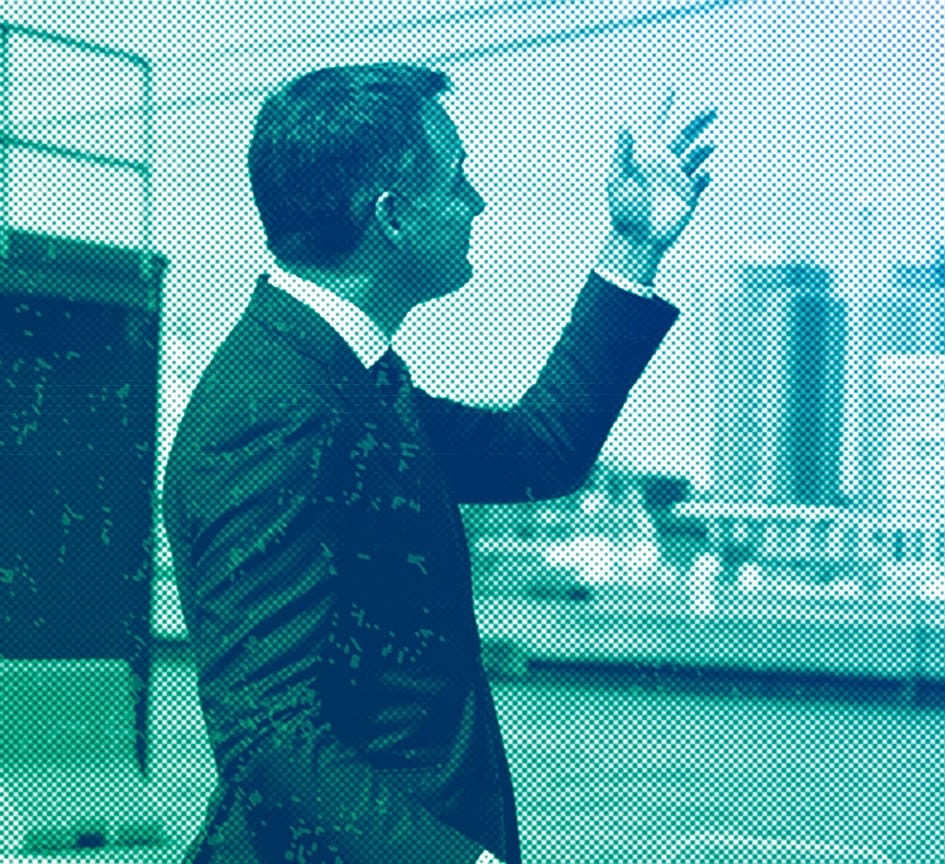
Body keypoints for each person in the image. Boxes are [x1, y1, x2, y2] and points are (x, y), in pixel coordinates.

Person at [163, 64, 716, 864]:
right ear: (391, 216)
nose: (478, 202)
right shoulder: (275, 413)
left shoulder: (341, 380)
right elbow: (268, 736)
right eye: (458, 179)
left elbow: (539, 450)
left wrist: (631, 246)